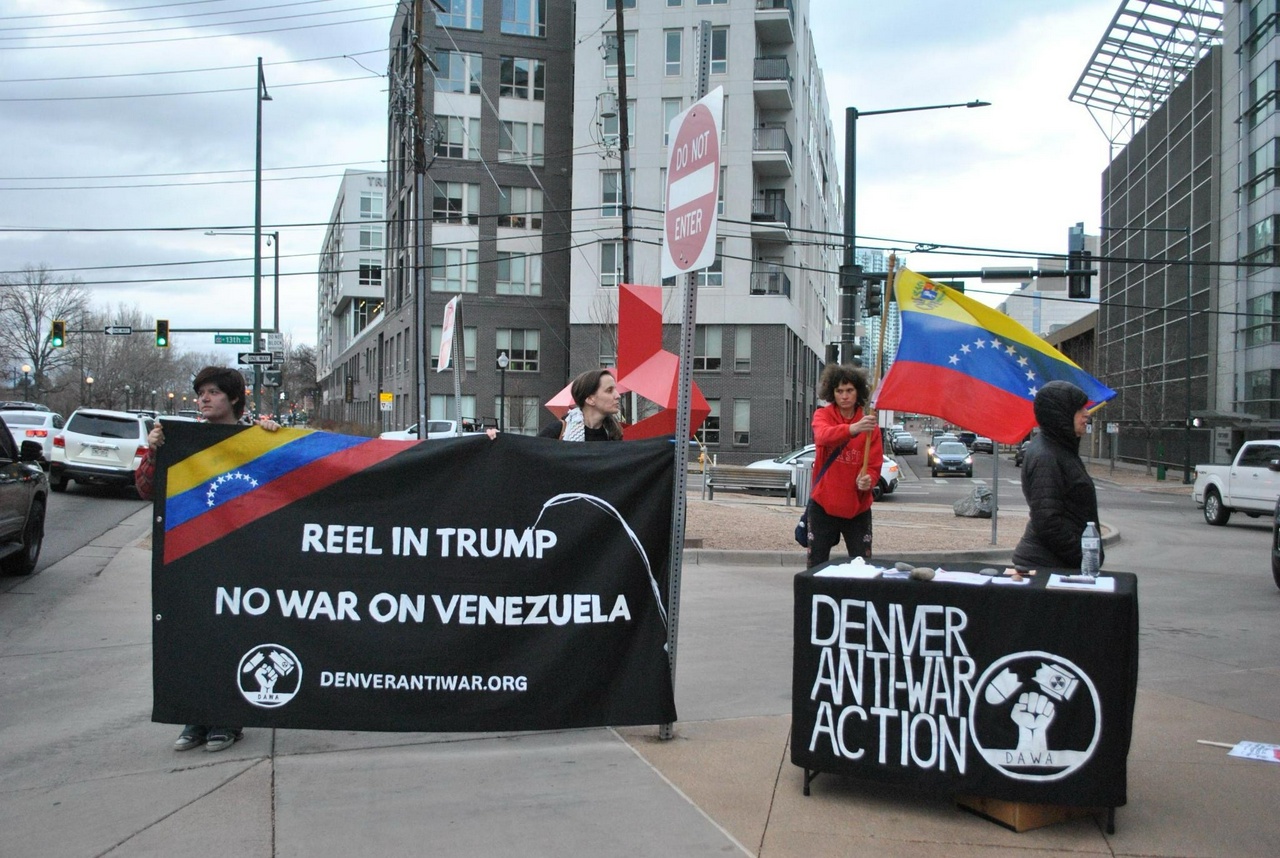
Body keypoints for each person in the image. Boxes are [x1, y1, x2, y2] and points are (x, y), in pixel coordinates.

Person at [135, 366, 280, 752]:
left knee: (233, 634)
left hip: (242, 559)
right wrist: (154, 452)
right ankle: (194, 718)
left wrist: (273, 438)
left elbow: (288, 482)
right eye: (201, 392)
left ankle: (228, 720)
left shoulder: (256, 438)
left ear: (234, 398)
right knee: (192, 635)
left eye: (213, 392)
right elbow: (147, 488)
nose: (204, 399)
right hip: (191, 554)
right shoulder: (181, 440)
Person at [1012, 380, 1103, 571]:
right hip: (1046, 566)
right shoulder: (1047, 456)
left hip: (1056, 562)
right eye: (1080, 409)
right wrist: (1083, 556)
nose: (1087, 414)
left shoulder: (1060, 449)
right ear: (1061, 414)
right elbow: (1047, 521)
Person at [806, 364, 883, 567]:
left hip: (857, 508)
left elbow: (874, 465)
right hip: (823, 504)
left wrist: (869, 479)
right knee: (816, 564)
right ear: (832, 392)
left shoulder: (870, 426)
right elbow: (823, 436)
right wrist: (852, 428)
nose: (844, 396)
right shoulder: (823, 415)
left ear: (858, 392)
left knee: (863, 566)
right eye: (839, 391)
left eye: (849, 390)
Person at [539, 368, 624, 441]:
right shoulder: (557, 430)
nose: (618, 396)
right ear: (590, 399)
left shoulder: (613, 435)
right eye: (609, 390)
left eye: (615, 390)